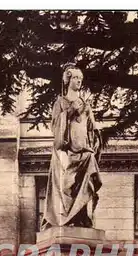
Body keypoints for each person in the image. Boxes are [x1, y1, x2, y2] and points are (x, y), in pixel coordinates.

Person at [40, 63, 102, 230]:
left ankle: (81, 217)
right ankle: (63, 218)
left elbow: (91, 127)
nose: (78, 81)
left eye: (80, 78)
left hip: (84, 150)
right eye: (75, 78)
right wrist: (69, 112)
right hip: (66, 151)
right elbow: (55, 126)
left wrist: (96, 138)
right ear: (67, 80)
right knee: (66, 184)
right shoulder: (60, 102)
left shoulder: (86, 104)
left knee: (86, 180)